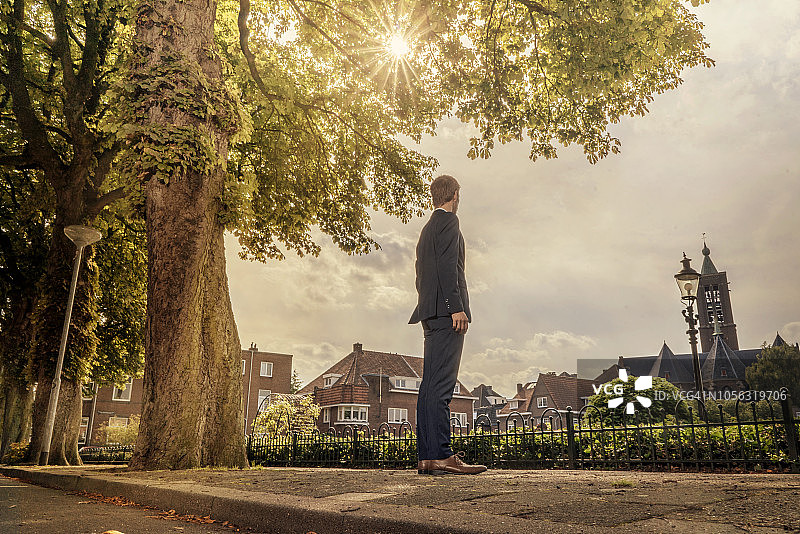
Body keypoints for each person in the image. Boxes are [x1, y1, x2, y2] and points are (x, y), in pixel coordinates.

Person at [409, 174, 487, 475]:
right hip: (446, 314)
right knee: (441, 386)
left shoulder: (427, 229)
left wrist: (431, 306)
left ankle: (427, 457)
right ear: (454, 195)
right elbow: (447, 268)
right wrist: (455, 308)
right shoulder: (449, 223)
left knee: (429, 386)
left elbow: (421, 274)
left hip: (429, 314)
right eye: (459, 195)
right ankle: (442, 455)